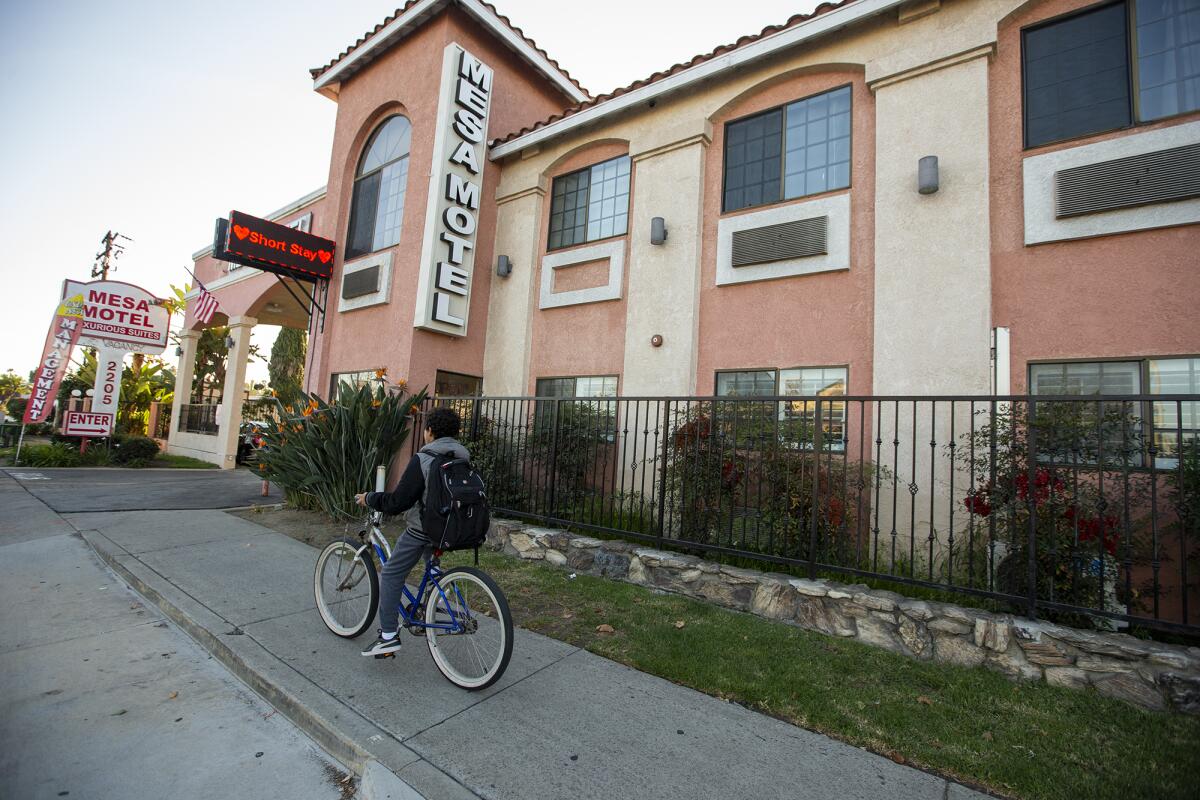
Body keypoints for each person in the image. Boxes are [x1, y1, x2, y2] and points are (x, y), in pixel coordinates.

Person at [354, 406, 469, 656]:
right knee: (432, 568)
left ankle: (387, 636)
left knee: (391, 575)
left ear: (429, 431)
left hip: (424, 529)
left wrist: (371, 498)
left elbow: (399, 502)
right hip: (451, 527)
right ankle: (434, 593)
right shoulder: (462, 456)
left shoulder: (424, 458)